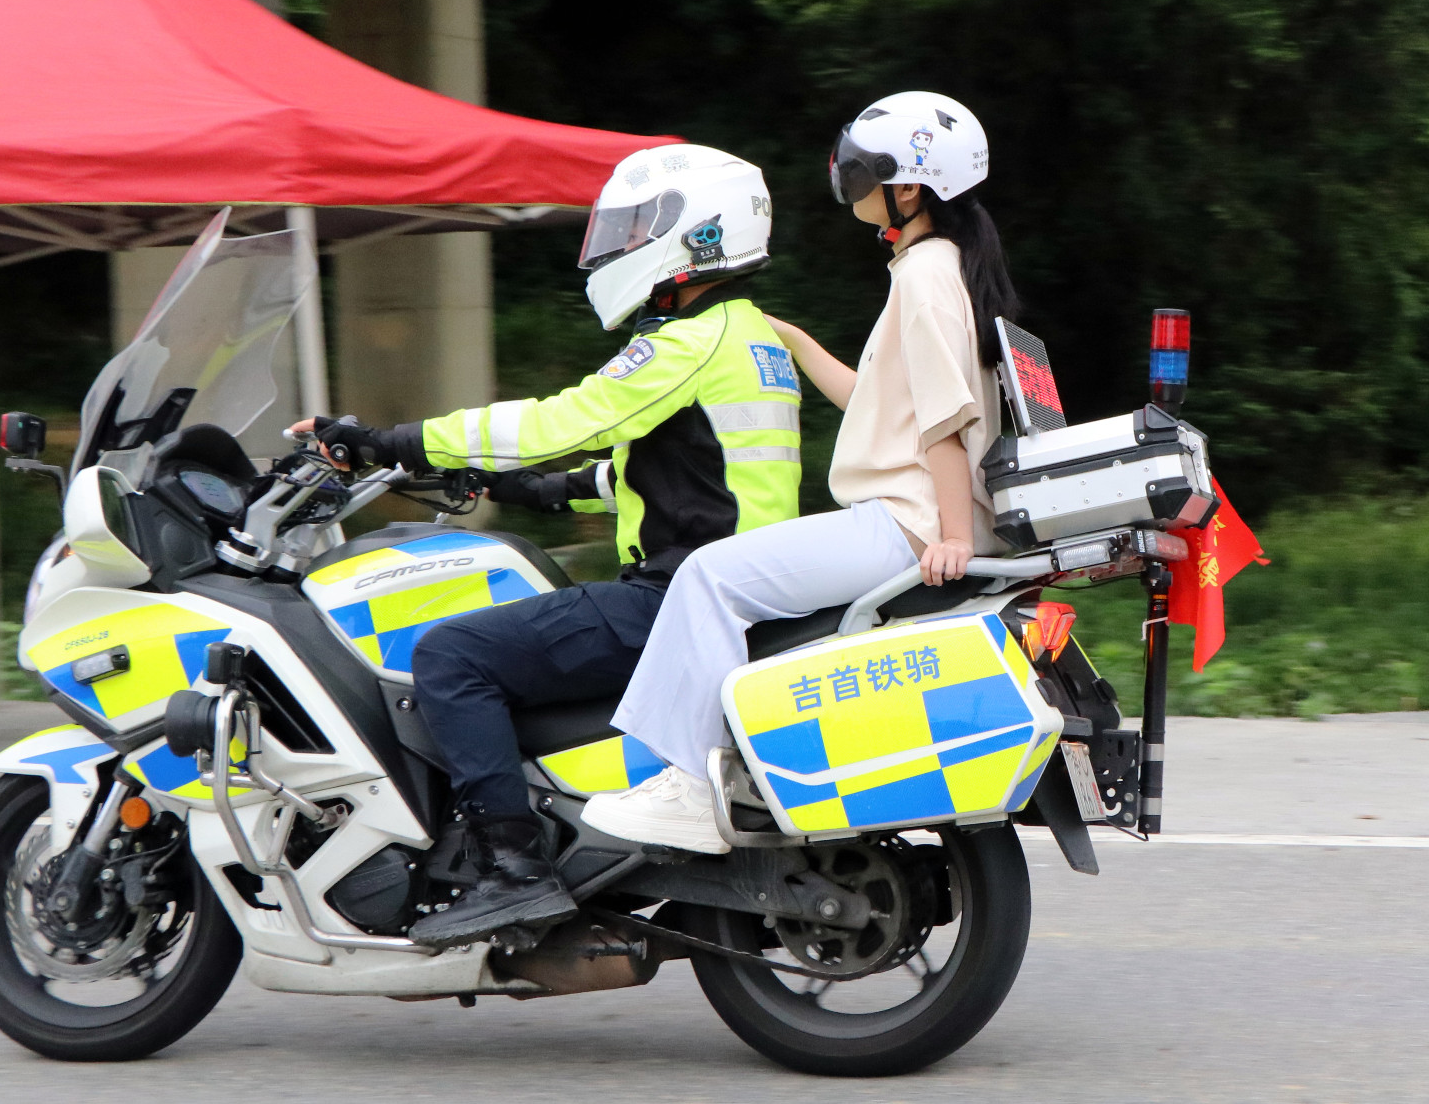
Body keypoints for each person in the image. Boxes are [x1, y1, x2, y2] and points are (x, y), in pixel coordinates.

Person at [294, 144, 802, 946]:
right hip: (729, 585)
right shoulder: (745, 336)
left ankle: (513, 869)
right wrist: (524, 488)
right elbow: (688, 475)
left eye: (639, 225)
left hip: (677, 599)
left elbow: (556, 421)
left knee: (452, 657)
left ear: (695, 231)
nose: (619, 244)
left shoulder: (684, 340)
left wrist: (385, 442)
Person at [581, 92, 1019, 854]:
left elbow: (948, 416)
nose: (846, 182)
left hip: (902, 521)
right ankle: (729, 768)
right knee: (724, 584)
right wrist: (794, 341)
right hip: (909, 513)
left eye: (858, 170)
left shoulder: (922, 276)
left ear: (907, 188)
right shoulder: (940, 267)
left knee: (708, 578)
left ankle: (695, 781)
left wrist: (950, 534)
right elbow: (883, 404)